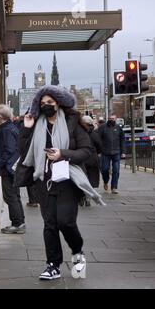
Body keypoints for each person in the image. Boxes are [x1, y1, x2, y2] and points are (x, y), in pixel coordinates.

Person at [17, 85, 104, 280]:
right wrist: (26, 128)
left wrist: (62, 154)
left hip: (67, 180)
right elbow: (23, 152)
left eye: (50, 102)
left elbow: (87, 151)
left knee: (66, 222)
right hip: (43, 180)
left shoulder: (73, 123)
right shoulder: (37, 123)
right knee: (50, 224)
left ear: (58, 103)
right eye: (42, 103)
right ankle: (52, 265)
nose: (46, 106)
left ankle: (77, 251)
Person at [0, 104, 25, 234]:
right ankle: (20, 222)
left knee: (10, 196)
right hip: (12, 168)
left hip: (8, 169)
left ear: (0, 117)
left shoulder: (6, 130)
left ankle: (17, 224)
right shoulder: (11, 128)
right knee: (15, 196)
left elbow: (9, 149)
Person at [15, 116, 39, 208]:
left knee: (30, 177)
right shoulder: (34, 124)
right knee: (34, 177)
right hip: (33, 153)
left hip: (27, 154)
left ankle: (33, 200)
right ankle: (35, 199)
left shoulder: (21, 124)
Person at [97, 114, 125, 194]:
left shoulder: (118, 128)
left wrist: (123, 152)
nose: (111, 120)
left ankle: (114, 187)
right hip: (105, 152)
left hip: (116, 152)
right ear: (107, 119)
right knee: (104, 169)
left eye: (113, 118)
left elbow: (122, 140)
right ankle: (105, 181)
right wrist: (99, 150)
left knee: (116, 170)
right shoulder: (102, 127)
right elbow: (98, 139)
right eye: (110, 118)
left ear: (115, 119)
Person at [80, 115, 102, 207]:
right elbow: (100, 146)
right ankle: (88, 198)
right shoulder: (94, 134)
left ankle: (82, 196)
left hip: (81, 158)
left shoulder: (79, 133)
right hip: (92, 158)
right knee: (91, 179)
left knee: (81, 179)